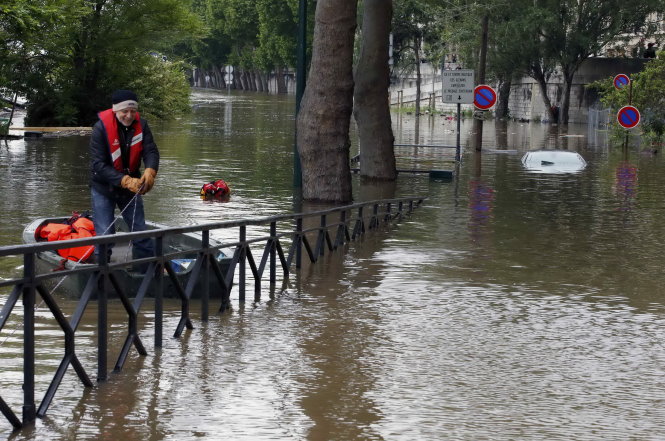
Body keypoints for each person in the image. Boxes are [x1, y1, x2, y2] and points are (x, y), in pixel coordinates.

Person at [89, 89, 159, 266]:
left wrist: (150, 171)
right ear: (115, 110)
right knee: (105, 235)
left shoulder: (141, 125)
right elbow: (98, 165)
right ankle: (101, 276)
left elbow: (150, 150)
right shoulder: (100, 129)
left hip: (132, 188)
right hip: (104, 188)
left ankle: (145, 272)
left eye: (133, 111)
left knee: (140, 233)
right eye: (124, 111)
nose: (129, 115)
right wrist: (125, 181)